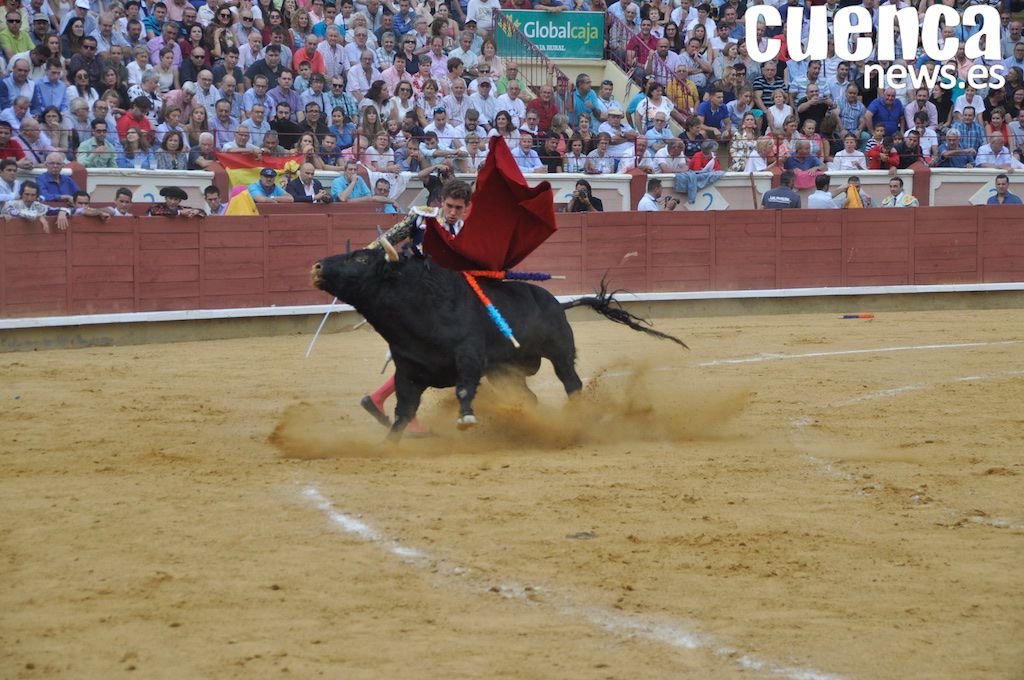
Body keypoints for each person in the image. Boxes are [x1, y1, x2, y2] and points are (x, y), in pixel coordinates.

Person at [360, 178, 474, 435]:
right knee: (420, 357)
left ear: (466, 207)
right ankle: (403, 414)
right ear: (441, 202)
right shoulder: (422, 217)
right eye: (449, 206)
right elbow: (387, 239)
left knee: (423, 358)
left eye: (458, 208)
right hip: (412, 297)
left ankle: (380, 400)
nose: (452, 212)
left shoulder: (465, 231)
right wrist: (363, 260)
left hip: (439, 303)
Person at [2, 180, 69, 233]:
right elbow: (15, 212)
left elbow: (59, 210)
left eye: (33, 195)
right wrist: (38, 216)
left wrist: (62, 212)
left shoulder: (37, 205)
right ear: (21, 194)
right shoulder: (10, 204)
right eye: (26, 194)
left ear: (37, 196)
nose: (29, 198)